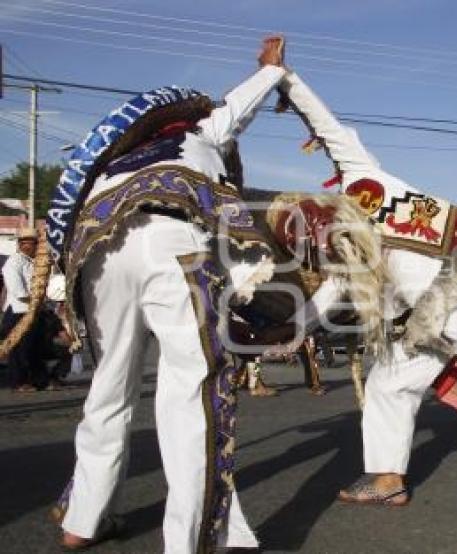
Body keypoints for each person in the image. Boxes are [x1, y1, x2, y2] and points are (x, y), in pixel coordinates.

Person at [279, 66, 457, 547]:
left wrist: (285, 80)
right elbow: (324, 298)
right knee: (388, 382)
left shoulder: (361, 179)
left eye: (311, 225)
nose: (317, 237)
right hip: (427, 319)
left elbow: (330, 127)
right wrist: (289, 332)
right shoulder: (346, 256)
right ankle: (389, 480)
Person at [51, 36, 291, 551]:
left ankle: (82, 519)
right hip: (175, 241)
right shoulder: (201, 130)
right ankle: (193, 540)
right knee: (191, 392)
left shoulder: (120, 158)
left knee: (109, 386)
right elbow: (237, 108)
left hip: (99, 246)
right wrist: (271, 71)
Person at [0, 228, 46, 392]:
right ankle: (18, 382)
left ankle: (38, 380)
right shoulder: (13, 263)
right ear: (21, 245)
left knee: (34, 347)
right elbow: (18, 291)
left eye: (32, 243)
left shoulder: (32, 262)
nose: (30, 246)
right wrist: (37, 300)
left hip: (32, 310)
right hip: (18, 312)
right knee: (19, 350)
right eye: (25, 243)